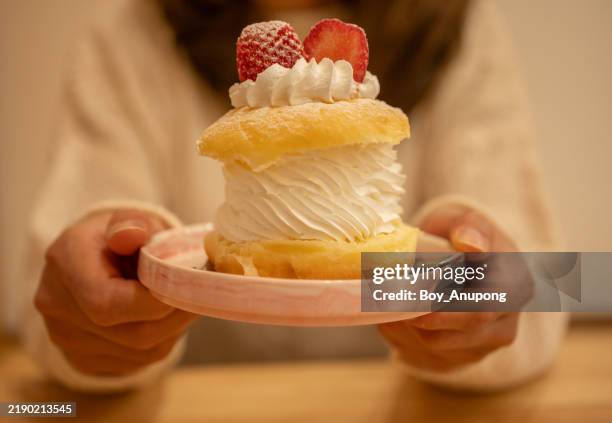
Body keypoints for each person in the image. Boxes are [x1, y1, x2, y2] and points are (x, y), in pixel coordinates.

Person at [21, 0, 568, 392]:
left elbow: (565, 287)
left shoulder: (465, 24)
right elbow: (39, 311)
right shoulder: (129, 28)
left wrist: (498, 291)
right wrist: (96, 300)